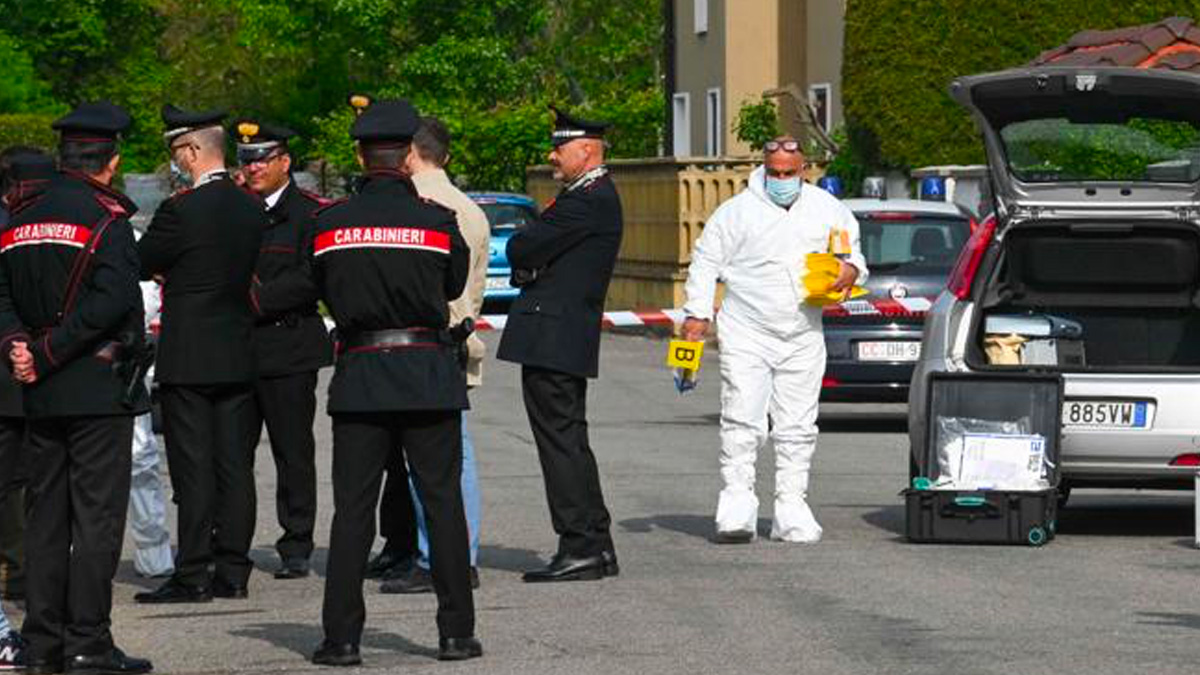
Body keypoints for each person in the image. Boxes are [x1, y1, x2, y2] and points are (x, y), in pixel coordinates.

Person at [311, 98, 480, 667]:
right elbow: (454, 284)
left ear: (360, 156)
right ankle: (456, 634)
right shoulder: (438, 221)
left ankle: (342, 640)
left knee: (353, 512)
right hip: (428, 373)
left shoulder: (329, 223)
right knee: (442, 505)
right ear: (409, 155)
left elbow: (318, 286)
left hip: (361, 375)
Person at [0, 101, 153, 674]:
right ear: (110, 162)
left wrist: (22, 347)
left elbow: (3, 295)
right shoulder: (106, 218)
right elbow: (114, 301)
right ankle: (88, 640)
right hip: (93, 382)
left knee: (46, 518)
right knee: (96, 520)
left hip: (38, 385)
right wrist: (49, 351)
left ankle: (42, 643)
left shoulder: (19, 217)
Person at [680, 136, 868, 544]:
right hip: (746, 329)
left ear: (804, 169)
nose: (782, 179)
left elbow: (854, 256)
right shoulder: (736, 213)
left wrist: (851, 271)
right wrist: (697, 315)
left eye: (790, 172)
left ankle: (791, 507)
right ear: (764, 168)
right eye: (775, 173)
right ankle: (736, 507)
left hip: (802, 331)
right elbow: (705, 261)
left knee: (798, 425)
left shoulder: (828, 209)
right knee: (742, 419)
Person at [135, 105, 265, 604]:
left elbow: (145, 262)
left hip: (189, 352)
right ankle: (233, 569)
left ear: (192, 151)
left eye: (176, 153)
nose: (175, 163)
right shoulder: (252, 207)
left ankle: (192, 572)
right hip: (236, 346)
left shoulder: (180, 210)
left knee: (193, 467)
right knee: (235, 465)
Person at [495, 106, 623, 583]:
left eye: (560, 147)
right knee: (570, 439)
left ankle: (579, 544)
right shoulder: (585, 196)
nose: (553, 155)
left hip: (554, 333)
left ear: (586, 151)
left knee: (560, 444)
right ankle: (595, 540)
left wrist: (530, 249)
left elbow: (521, 247)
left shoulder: (585, 200)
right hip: (560, 331)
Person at [379, 116, 488, 595]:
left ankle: (439, 557)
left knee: (431, 463)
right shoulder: (470, 208)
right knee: (450, 457)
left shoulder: (419, 206)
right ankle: (455, 553)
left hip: (421, 343)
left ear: (408, 154)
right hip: (457, 341)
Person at [235, 120, 333, 580]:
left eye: (260, 159)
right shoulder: (233, 209)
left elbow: (314, 275)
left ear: (284, 163)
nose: (251, 168)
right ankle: (231, 543)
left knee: (293, 451)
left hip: (288, 342)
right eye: (245, 159)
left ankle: (296, 543)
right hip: (236, 348)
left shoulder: (310, 213)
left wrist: (253, 299)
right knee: (233, 453)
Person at [128, 274, 173, 578]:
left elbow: (147, 303)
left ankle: (154, 556)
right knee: (139, 458)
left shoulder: (128, 238)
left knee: (140, 457)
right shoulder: (123, 237)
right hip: (110, 357)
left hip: (125, 362)